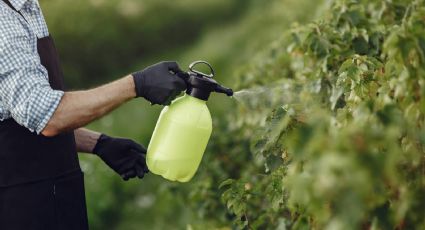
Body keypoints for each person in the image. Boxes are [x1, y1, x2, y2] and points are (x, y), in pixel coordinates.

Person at [0, 0, 187, 229]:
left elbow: (21, 118)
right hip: (21, 207)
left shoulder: (25, 7)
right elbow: (50, 115)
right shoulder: (3, 20)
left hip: (53, 197)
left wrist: (98, 143)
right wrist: (137, 84)